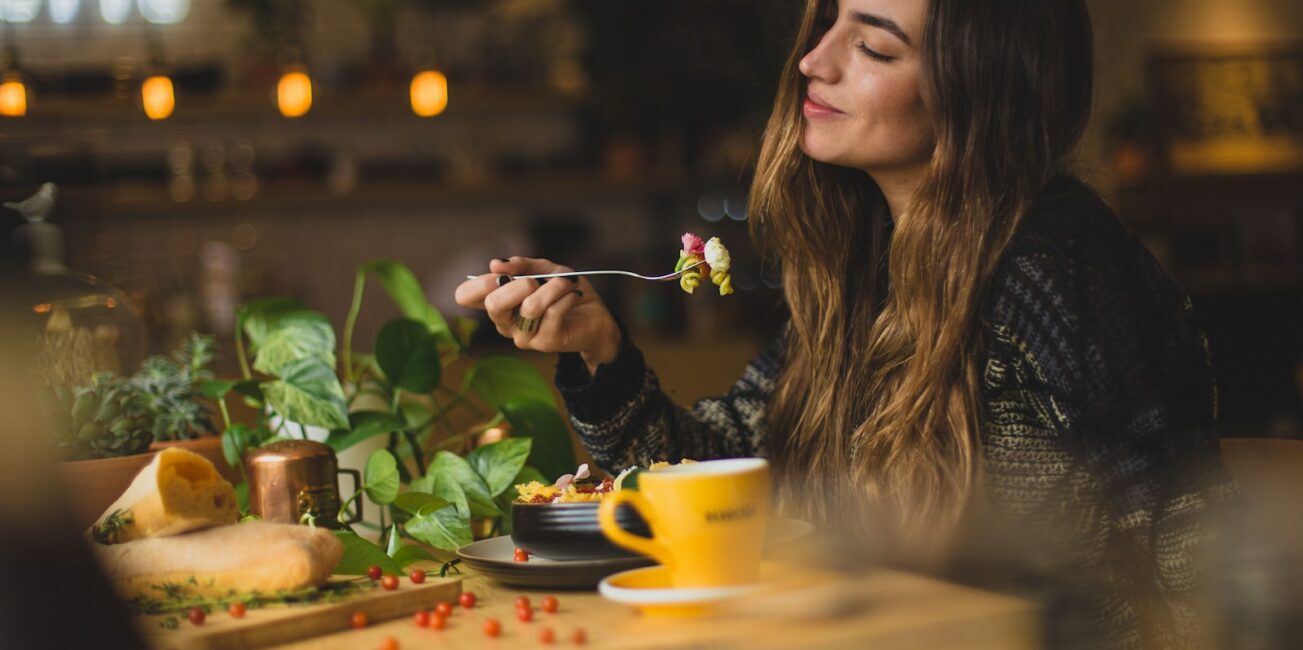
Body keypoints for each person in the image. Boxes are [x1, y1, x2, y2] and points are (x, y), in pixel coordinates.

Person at [455, 0, 1235, 647]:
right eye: (824, 22)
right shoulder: (866, 270)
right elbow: (726, 478)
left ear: (980, 89)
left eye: (871, 46)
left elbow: (1186, 544)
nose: (812, 61)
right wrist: (601, 352)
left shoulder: (1057, 264)